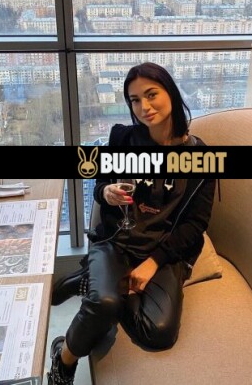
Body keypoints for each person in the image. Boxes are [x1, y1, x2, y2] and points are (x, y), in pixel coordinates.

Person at [48, 63, 216, 385]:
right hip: (117, 242)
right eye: (135, 100)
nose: (144, 107)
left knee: (159, 332)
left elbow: (196, 223)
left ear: (171, 93)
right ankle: (63, 360)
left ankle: (93, 281)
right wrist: (106, 192)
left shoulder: (200, 156)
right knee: (105, 303)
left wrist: (154, 263)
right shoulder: (122, 138)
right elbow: (99, 186)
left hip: (162, 250)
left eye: (151, 95)